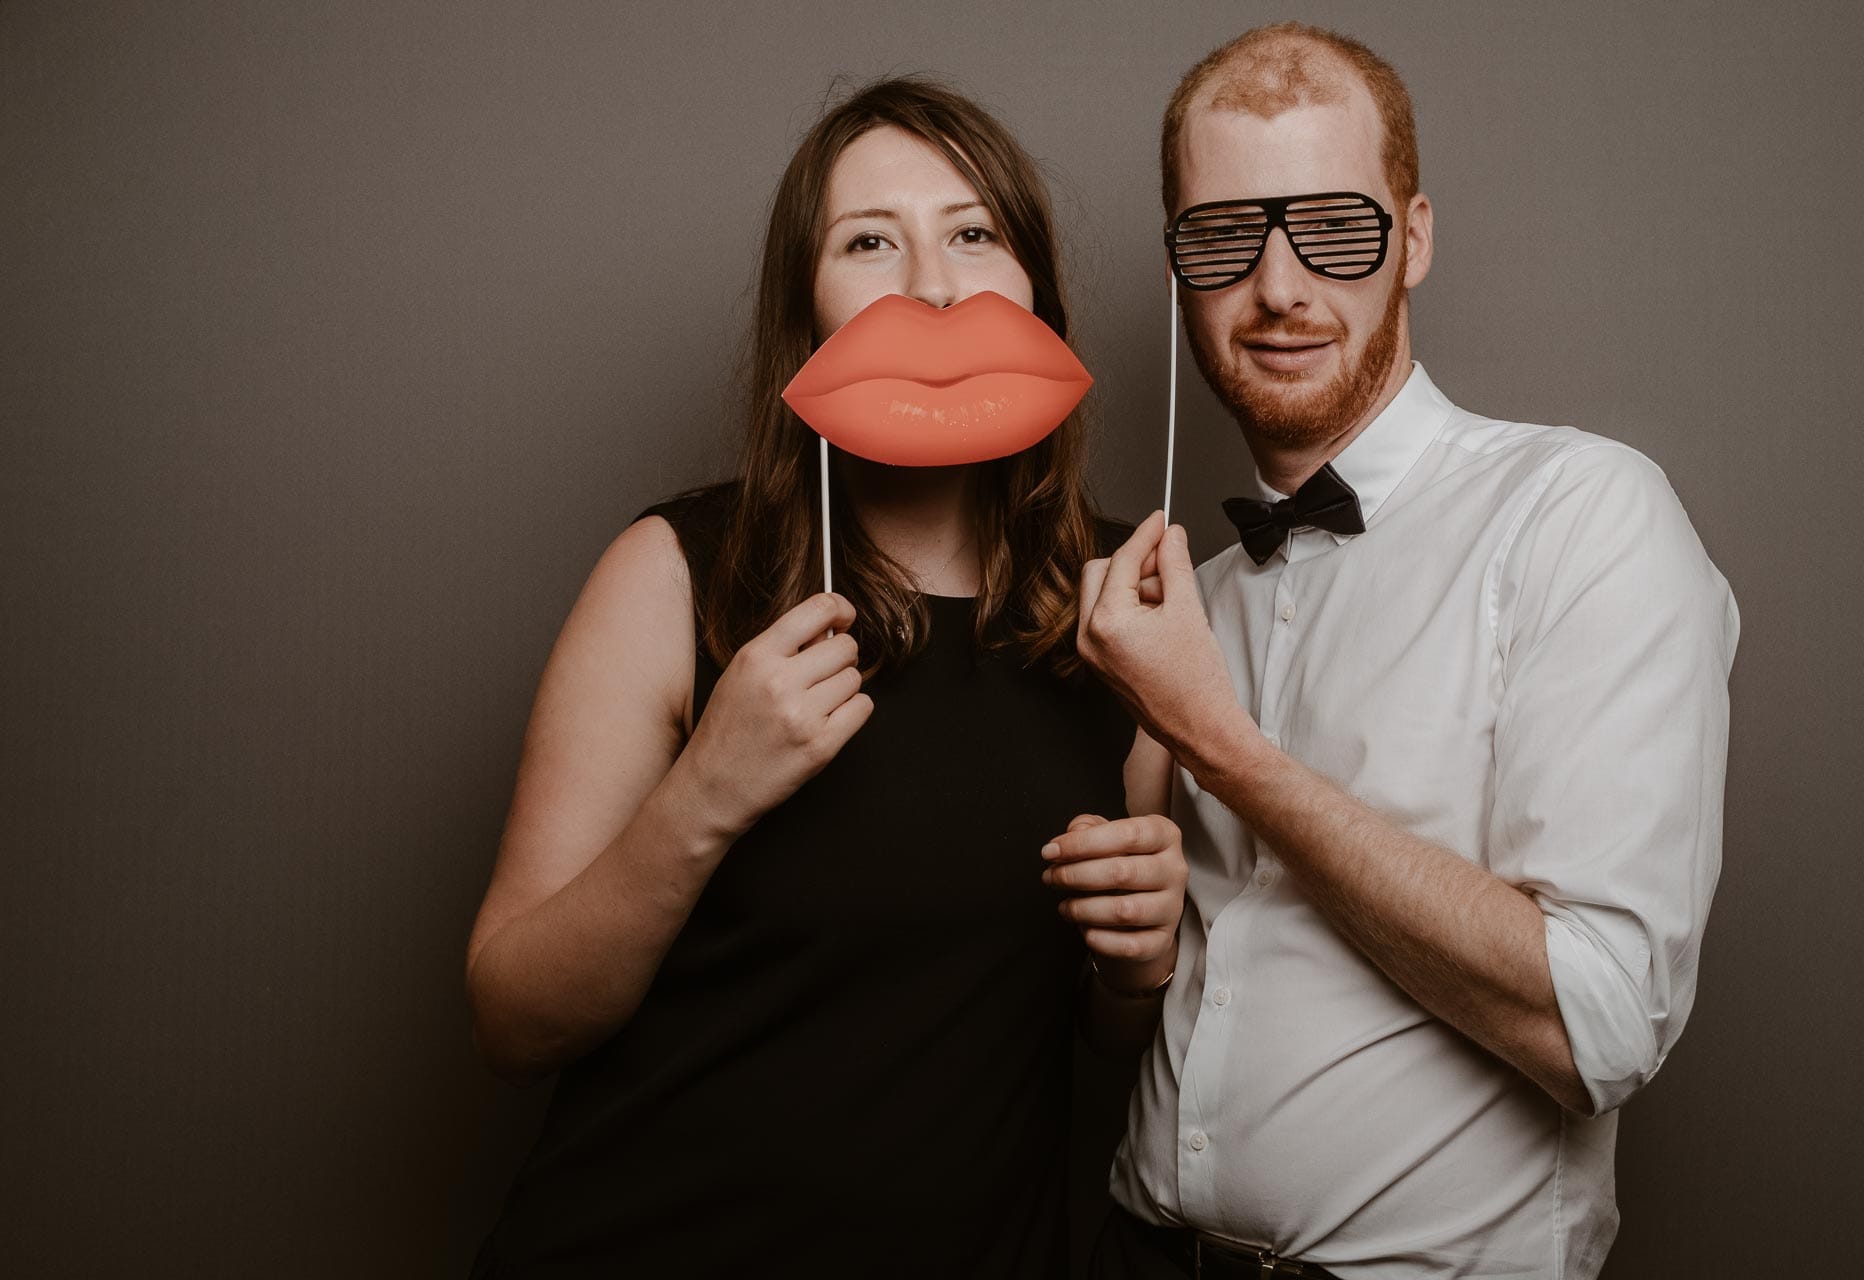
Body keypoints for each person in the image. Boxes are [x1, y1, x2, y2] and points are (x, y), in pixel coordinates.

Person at [464, 77, 1185, 1278]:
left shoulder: (1131, 599)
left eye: (973, 233)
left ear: (1036, 292)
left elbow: (1096, 1035)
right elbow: (512, 1016)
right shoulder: (673, 575)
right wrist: (705, 793)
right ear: (806, 314)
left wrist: (1138, 959)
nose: (933, 286)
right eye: (868, 243)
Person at [1078, 23, 1739, 1279]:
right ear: (1179, 272)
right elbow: (1148, 1020)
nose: (1276, 288)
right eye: (1223, 236)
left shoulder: (1579, 513)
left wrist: (1217, 743)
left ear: (1413, 238)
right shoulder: (1175, 608)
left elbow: (1599, 1021)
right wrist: (1127, 958)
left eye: (1332, 225)